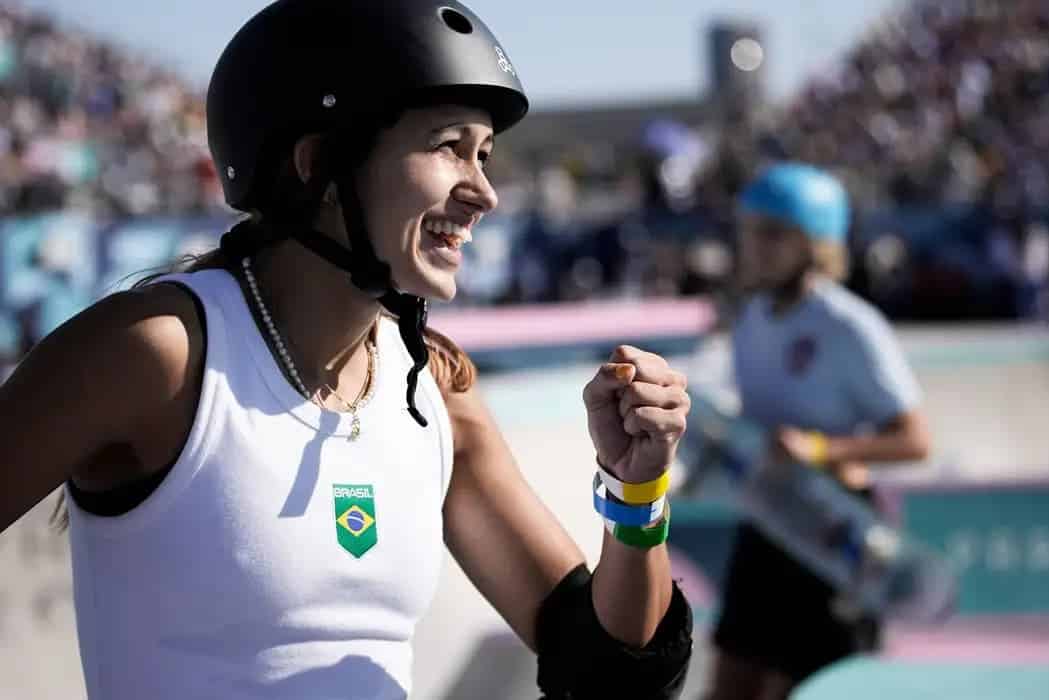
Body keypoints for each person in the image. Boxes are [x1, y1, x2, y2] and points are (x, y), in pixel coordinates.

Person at [0, 1, 694, 698]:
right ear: (319, 167)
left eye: (484, 156)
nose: (484, 192)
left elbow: (609, 674)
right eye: (448, 146)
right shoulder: (159, 352)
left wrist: (636, 488)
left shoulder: (434, 390)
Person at [703, 163, 931, 700]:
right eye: (749, 231)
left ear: (814, 245)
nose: (754, 247)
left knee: (813, 687)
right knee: (730, 685)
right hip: (767, 519)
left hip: (832, 531)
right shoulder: (751, 319)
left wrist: (820, 449)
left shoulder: (849, 324)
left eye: (773, 234)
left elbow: (915, 439)